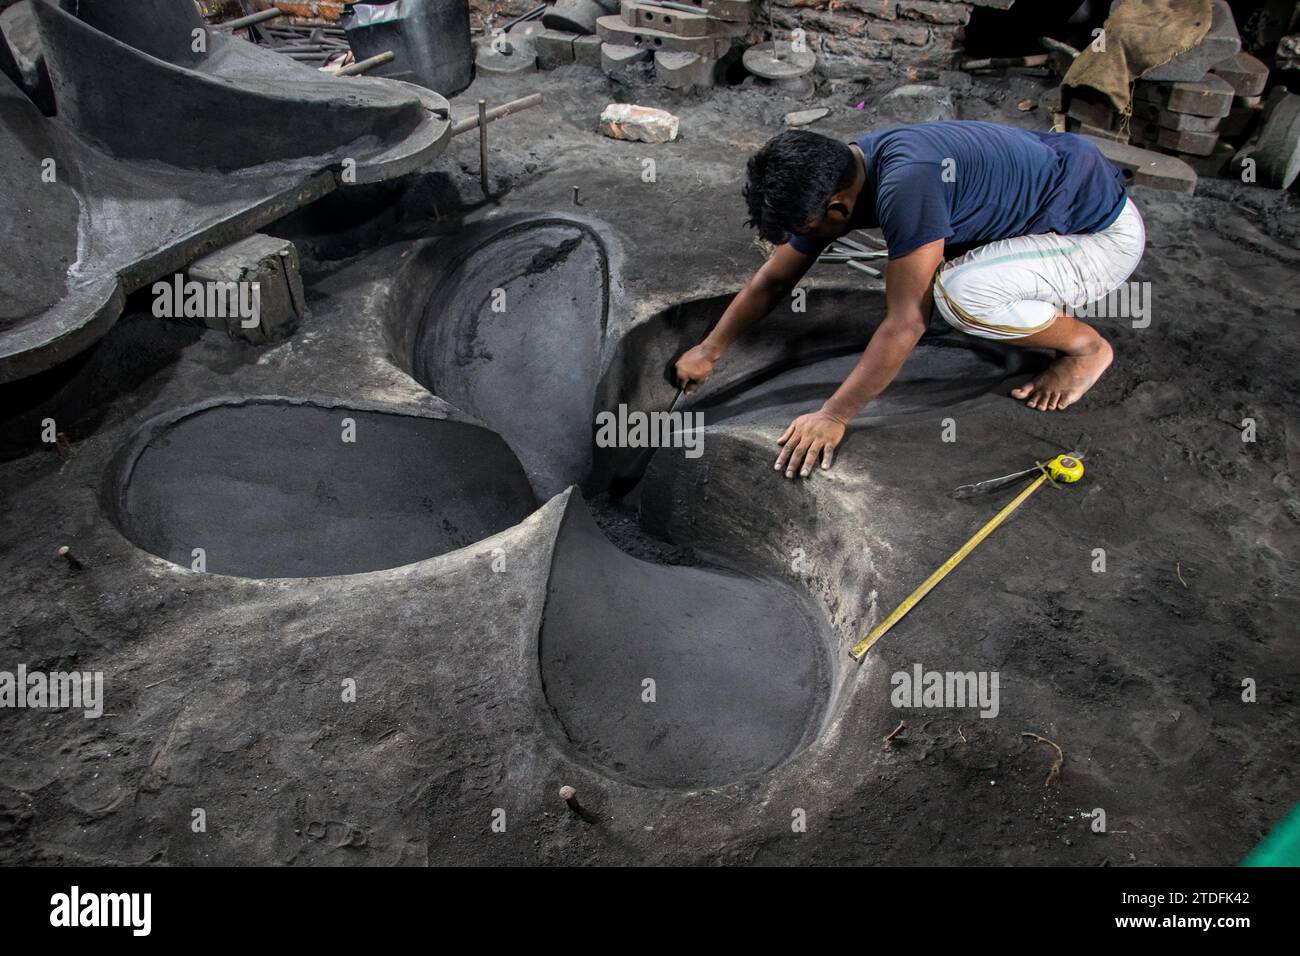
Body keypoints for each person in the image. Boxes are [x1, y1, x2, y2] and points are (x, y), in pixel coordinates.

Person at [673, 122, 1146, 479]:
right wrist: (709, 350)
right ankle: (1025, 291)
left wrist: (834, 415)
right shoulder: (851, 164)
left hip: (1098, 239)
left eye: (805, 230)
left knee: (958, 294)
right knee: (929, 269)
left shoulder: (908, 185)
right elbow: (775, 280)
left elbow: (905, 324)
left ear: (837, 208)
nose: (802, 241)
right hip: (1054, 205)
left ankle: (1085, 348)